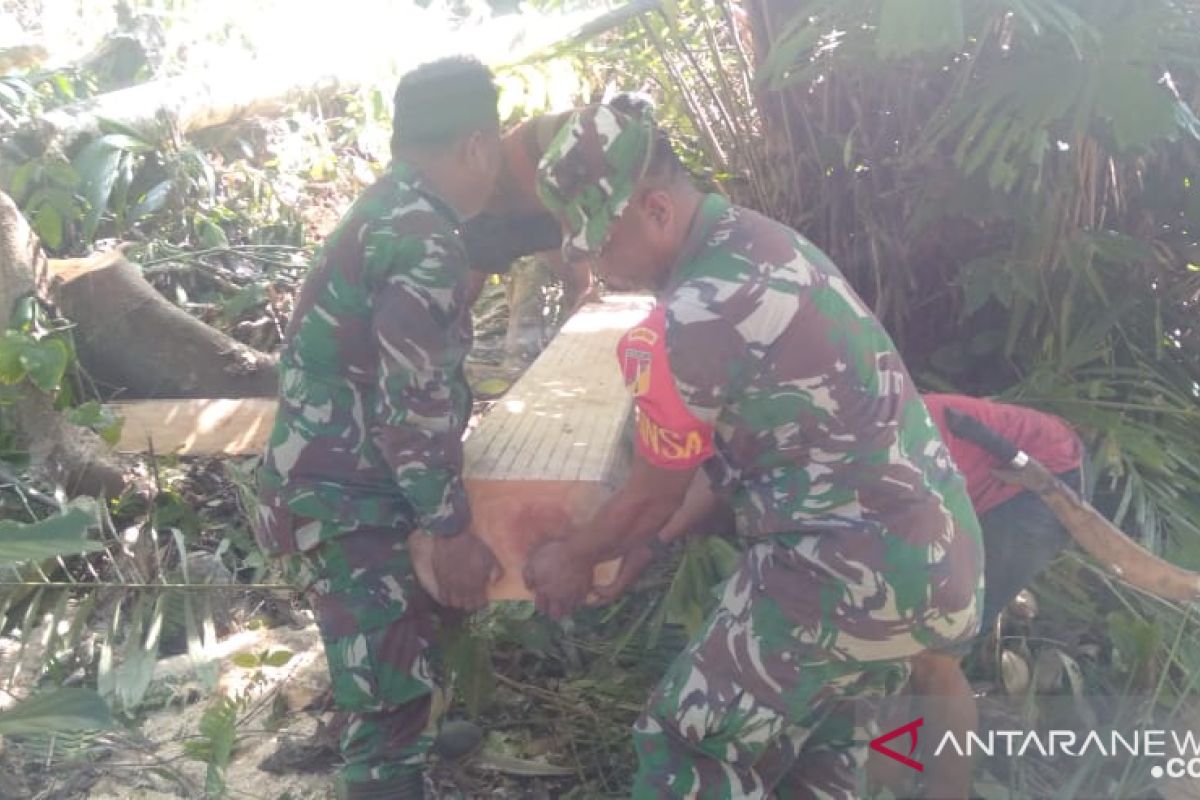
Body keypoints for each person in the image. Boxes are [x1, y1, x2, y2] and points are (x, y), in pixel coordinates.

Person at [522, 102, 985, 798]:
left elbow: (650, 493)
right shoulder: (763, 243)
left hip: (837, 575)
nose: (601, 266)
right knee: (818, 761)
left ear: (653, 210)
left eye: (602, 242)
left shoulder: (699, 311)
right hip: (931, 562)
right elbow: (728, 462)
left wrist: (574, 556)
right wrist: (643, 539)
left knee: (684, 748)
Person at [597, 392, 1085, 799]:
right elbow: (703, 489)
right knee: (892, 658)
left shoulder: (829, 450)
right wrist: (648, 542)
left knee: (933, 658)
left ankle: (944, 791)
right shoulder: (770, 434)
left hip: (1027, 486)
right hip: (963, 477)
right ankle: (885, 783)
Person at [251, 56, 503, 800]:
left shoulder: (394, 205)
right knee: (386, 685)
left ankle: (411, 739)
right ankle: (390, 767)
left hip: (351, 472)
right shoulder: (421, 234)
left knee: (410, 636)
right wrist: (449, 525)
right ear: (477, 146)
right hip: (347, 488)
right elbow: (412, 402)